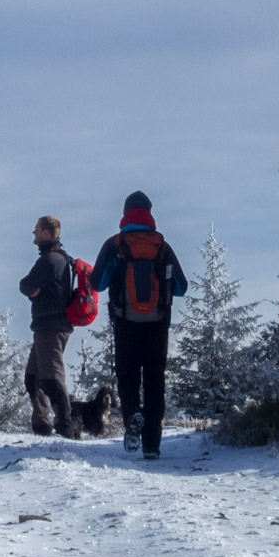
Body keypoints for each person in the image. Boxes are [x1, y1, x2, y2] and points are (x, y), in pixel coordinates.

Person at [89, 191, 186, 459]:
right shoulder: (162, 247)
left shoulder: (115, 244)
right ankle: (152, 446)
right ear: (150, 213)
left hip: (125, 323)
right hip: (158, 326)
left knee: (128, 378)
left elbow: (97, 283)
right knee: (155, 383)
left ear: (125, 213)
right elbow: (182, 287)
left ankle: (133, 416)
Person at [18, 214, 80, 438]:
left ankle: (65, 429)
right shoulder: (59, 259)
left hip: (51, 327)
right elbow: (30, 288)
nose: (33, 232)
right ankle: (42, 427)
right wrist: (35, 291)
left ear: (46, 233)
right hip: (48, 326)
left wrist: (34, 291)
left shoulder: (50, 261)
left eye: (36, 229)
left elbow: (25, 285)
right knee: (33, 378)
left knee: (51, 379)